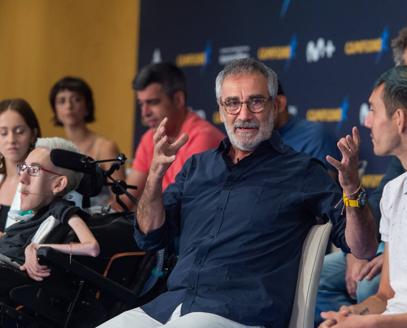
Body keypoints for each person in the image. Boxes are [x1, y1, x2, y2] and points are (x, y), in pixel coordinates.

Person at [99, 58, 377, 328]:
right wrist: (155, 176)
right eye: (232, 103)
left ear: (274, 106)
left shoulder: (301, 171)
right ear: (220, 108)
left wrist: (352, 191)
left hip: (238, 313)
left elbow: (362, 247)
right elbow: (148, 236)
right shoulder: (197, 167)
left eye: (255, 102)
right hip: (169, 306)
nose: (243, 115)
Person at [316, 20, 407, 321]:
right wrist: (351, 314)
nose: (367, 122)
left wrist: (373, 324)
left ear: (399, 119)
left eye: (372, 110)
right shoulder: (395, 192)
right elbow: (386, 297)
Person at [0, 137, 100, 299]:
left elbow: (91, 247)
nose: (22, 178)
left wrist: (37, 247)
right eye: (23, 168)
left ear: (59, 184)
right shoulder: (36, 213)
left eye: (34, 170)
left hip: (9, 273)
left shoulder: (60, 208)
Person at [119, 62, 224, 210]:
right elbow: (126, 199)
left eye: (153, 102)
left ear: (178, 100)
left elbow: (183, 206)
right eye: (141, 104)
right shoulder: (150, 137)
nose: (145, 113)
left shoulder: (202, 138)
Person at [50, 76, 125, 205]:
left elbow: (122, 198)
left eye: (76, 100)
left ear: (87, 106)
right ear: (55, 110)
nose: (69, 106)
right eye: (62, 101)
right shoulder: (55, 149)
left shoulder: (105, 147)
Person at [274, 81, 339, 179]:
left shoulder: (314, 136)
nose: (246, 115)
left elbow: (324, 190)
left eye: (258, 102)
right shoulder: (250, 141)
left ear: (279, 104)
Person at [0, 98, 41, 232]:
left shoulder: (43, 184)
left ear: (33, 135)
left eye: (19, 131)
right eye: (3, 133)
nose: (11, 140)